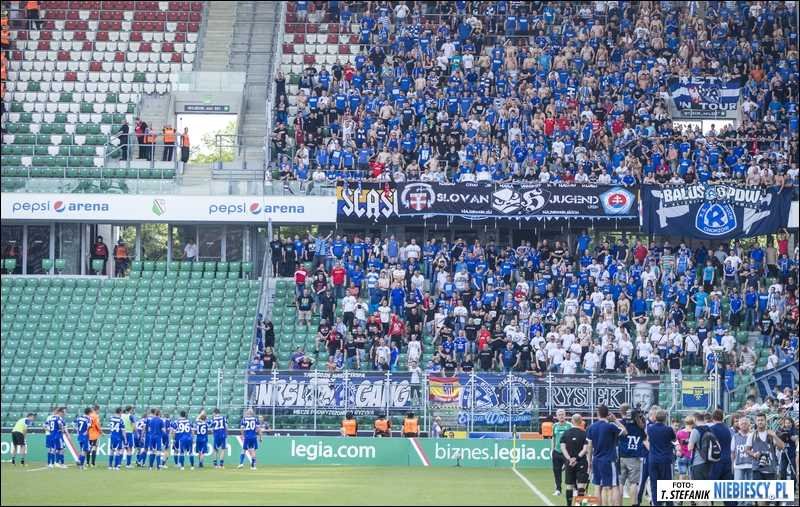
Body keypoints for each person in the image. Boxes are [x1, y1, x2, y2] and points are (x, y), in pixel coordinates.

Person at [586, 405, 627, 506]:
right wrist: (615, 420)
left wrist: (589, 461)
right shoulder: (610, 426)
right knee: (613, 486)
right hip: (609, 460)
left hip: (596, 459)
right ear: (608, 414)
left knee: (598, 486)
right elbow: (625, 431)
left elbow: (589, 446)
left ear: (598, 413)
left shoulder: (591, 427)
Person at [646, 409, 677, 507]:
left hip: (653, 459)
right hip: (665, 459)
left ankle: (656, 503)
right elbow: (674, 439)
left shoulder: (650, 428)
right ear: (665, 418)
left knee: (654, 484)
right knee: (666, 484)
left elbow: (648, 439)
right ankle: (669, 503)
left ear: (656, 418)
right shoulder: (668, 429)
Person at [560, 413, 589, 507]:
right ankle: (579, 504)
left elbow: (563, 448)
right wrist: (577, 458)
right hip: (581, 462)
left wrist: (569, 459)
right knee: (581, 486)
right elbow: (585, 449)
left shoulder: (566, 433)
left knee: (569, 486)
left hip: (569, 463)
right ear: (581, 422)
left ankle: (569, 504)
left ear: (572, 421)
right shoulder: (584, 433)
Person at [618, 405, 646, 502]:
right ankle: (633, 503)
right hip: (634, 456)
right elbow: (644, 432)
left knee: (620, 483)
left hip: (622, 455)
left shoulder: (622, 423)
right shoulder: (639, 426)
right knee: (634, 483)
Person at [746, 412, 785, 480]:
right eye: (758, 420)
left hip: (771, 468)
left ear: (765, 421)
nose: (760, 422)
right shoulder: (752, 435)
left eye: (762, 420)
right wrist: (753, 454)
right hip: (757, 468)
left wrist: (774, 436)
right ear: (756, 422)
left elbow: (782, 446)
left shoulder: (771, 434)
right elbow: (747, 450)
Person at [687, 412, 716, 480]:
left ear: (695, 419)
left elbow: (690, 448)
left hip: (698, 462)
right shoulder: (710, 429)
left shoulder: (695, 430)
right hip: (709, 461)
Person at [551, 409, 572, 497]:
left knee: (570, 471)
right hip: (557, 451)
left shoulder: (569, 425)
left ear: (565, 415)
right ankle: (558, 489)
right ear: (557, 416)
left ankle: (571, 488)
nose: (561, 416)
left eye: (562, 414)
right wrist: (552, 449)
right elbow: (553, 438)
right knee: (557, 471)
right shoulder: (555, 426)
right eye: (559, 414)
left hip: (566, 452)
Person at [708, 409, 733, 482]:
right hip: (728, 459)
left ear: (712, 418)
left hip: (716, 460)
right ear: (723, 418)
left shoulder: (711, 429)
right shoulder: (728, 430)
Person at [732, 417, 754, 482]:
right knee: (738, 486)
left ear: (749, 425)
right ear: (739, 425)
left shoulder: (753, 436)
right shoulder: (735, 437)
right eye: (742, 424)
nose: (744, 425)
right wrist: (732, 465)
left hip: (751, 465)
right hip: (738, 466)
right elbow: (733, 452)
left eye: (745, 423)